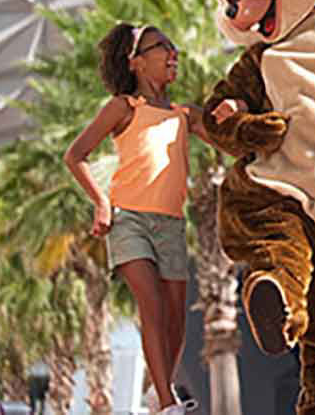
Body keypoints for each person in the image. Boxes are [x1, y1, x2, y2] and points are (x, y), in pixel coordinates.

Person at [64, 24, 212, 415]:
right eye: (162, 46)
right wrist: (101, 202)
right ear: (136, 62)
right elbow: (75, 155)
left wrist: (237, 114)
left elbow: (225, 134)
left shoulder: (183, 114)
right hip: (129, 220)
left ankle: (157, 390)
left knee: (176, 320)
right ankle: (167, 403)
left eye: (173, 45)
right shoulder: (123, 107)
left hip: (172, 225)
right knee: (152, 306)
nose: (173, 52)